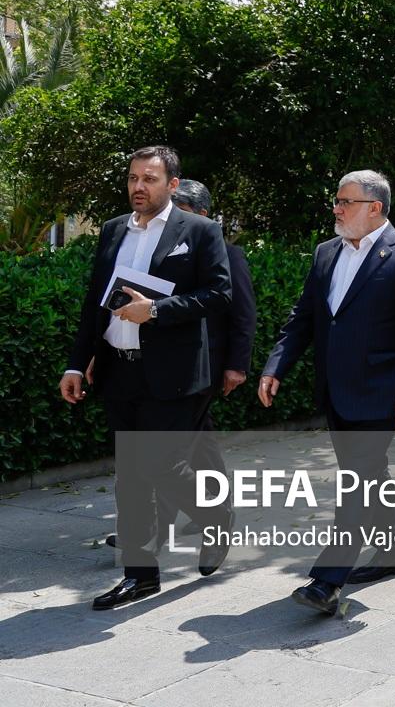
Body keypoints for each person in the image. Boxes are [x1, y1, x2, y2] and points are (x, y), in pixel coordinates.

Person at [60, 147, 235, 609]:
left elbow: (219, 293)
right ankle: (140, 577)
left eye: (150, 179)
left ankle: (215, 519)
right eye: (134, 178)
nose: (139, 187)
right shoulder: (114, 229)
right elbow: (95, 302)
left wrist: (155, 310)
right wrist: (77, 363)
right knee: (130, 477)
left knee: (162, 465)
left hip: (172, 374)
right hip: (118, 369)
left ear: (172, 184)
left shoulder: (199, 230)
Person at [260, 169, 395, 614]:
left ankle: (327, 580)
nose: (336, 209)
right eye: (337, 201)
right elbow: (304, 316)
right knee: (369, 475)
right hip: (336, 390)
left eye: (345, 202)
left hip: (382, 392)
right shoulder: (326, 252)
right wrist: (276, 365)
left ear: (374, 207)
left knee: (355, 482)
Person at [109, 178, 255, 552]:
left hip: (204, 365)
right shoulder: (154, 248)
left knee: (168, 454)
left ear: (203, 215)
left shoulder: (228, 253)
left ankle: (165, 528)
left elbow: (242, 315)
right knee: (194, 447)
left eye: (183, 210)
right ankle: (192, 518)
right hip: (163, 363)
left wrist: (236, 365)